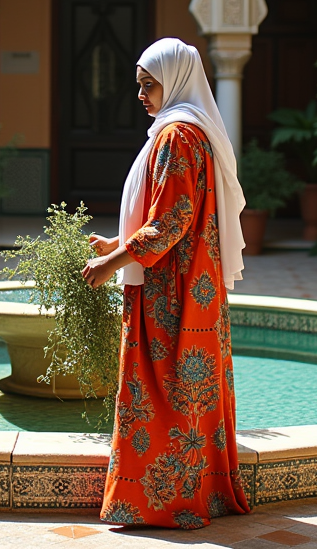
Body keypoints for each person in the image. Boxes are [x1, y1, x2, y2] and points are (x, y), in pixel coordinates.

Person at [82, 37, 250, 530]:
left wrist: (112, 262)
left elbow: (172, 222)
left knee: (165, 391)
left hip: (168, 293)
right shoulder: (189, 133)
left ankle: (163, 502)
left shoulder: (178, 135)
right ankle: (203, 494)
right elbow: (179, 214)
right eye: (139, 84)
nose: (140, 94)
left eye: (148, 84)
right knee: (185, 392)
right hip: (186, 282)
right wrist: (118, 240)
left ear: (174, 80)